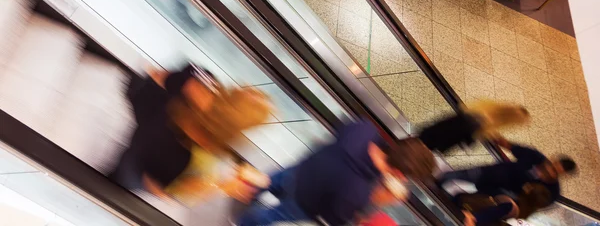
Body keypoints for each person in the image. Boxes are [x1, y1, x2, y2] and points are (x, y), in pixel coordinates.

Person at [108, 64, 272, 203]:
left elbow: (155, 75)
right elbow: (168, 192)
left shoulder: (198, 81)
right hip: (133, 167)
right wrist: (221, 186)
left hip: (135, 112)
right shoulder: (204, 155)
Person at [237, 121, 436, 226]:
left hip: (302, 168)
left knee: (269, 181)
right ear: (400, 174)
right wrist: (377, 200)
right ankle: (245, 222)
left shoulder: (365, 129)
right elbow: (334, 218)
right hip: (303, 202)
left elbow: (339, 134)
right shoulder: (358, 190)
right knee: (269, 216)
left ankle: (249, 192)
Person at [437, 137, 577, 208]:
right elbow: (509, 145)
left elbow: (532, 205)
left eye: (555, 172)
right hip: (490, 173)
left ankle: (446, 206)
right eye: (552, 165)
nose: (548, 170)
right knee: (453, 175)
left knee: (464, 201)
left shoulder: (551, 192)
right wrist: (491, 135)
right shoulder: (535, 156)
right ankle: (435, 188)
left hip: (496, 195)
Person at [419, 100, 530, 153]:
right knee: (424, 145)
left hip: (439, 132)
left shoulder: (488, 110)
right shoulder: (488, 122)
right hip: (442, 137)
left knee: (423, 141)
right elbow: (465, 133)